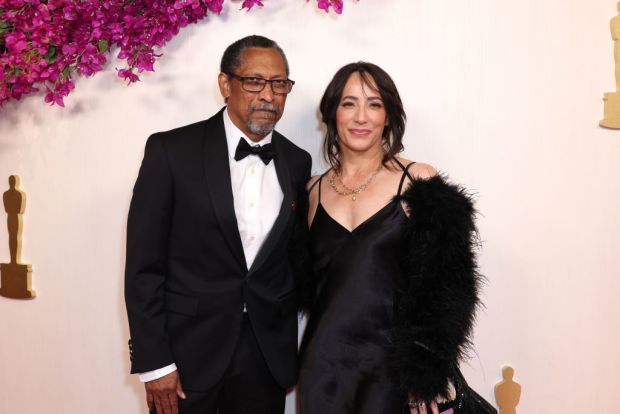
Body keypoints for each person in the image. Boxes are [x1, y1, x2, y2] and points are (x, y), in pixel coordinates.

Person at [125, 35, 311, 414]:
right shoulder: (170, 152)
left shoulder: (297, 161)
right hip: (185, 356)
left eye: (279, 84)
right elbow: (144, 268)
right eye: (254, 81)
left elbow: (292, 260)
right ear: (226, 84)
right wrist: (155, 363)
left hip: (265, 358)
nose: (269, 95)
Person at [298, 62, 481, 414]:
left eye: (375, 104)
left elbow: (450, 287)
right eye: (349, 103)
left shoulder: (418, 181)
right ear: (333, 112)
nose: (361, 117)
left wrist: (427, 373)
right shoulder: (313, 190)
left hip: (393, 375)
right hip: (322, 368)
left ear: (389, 115)